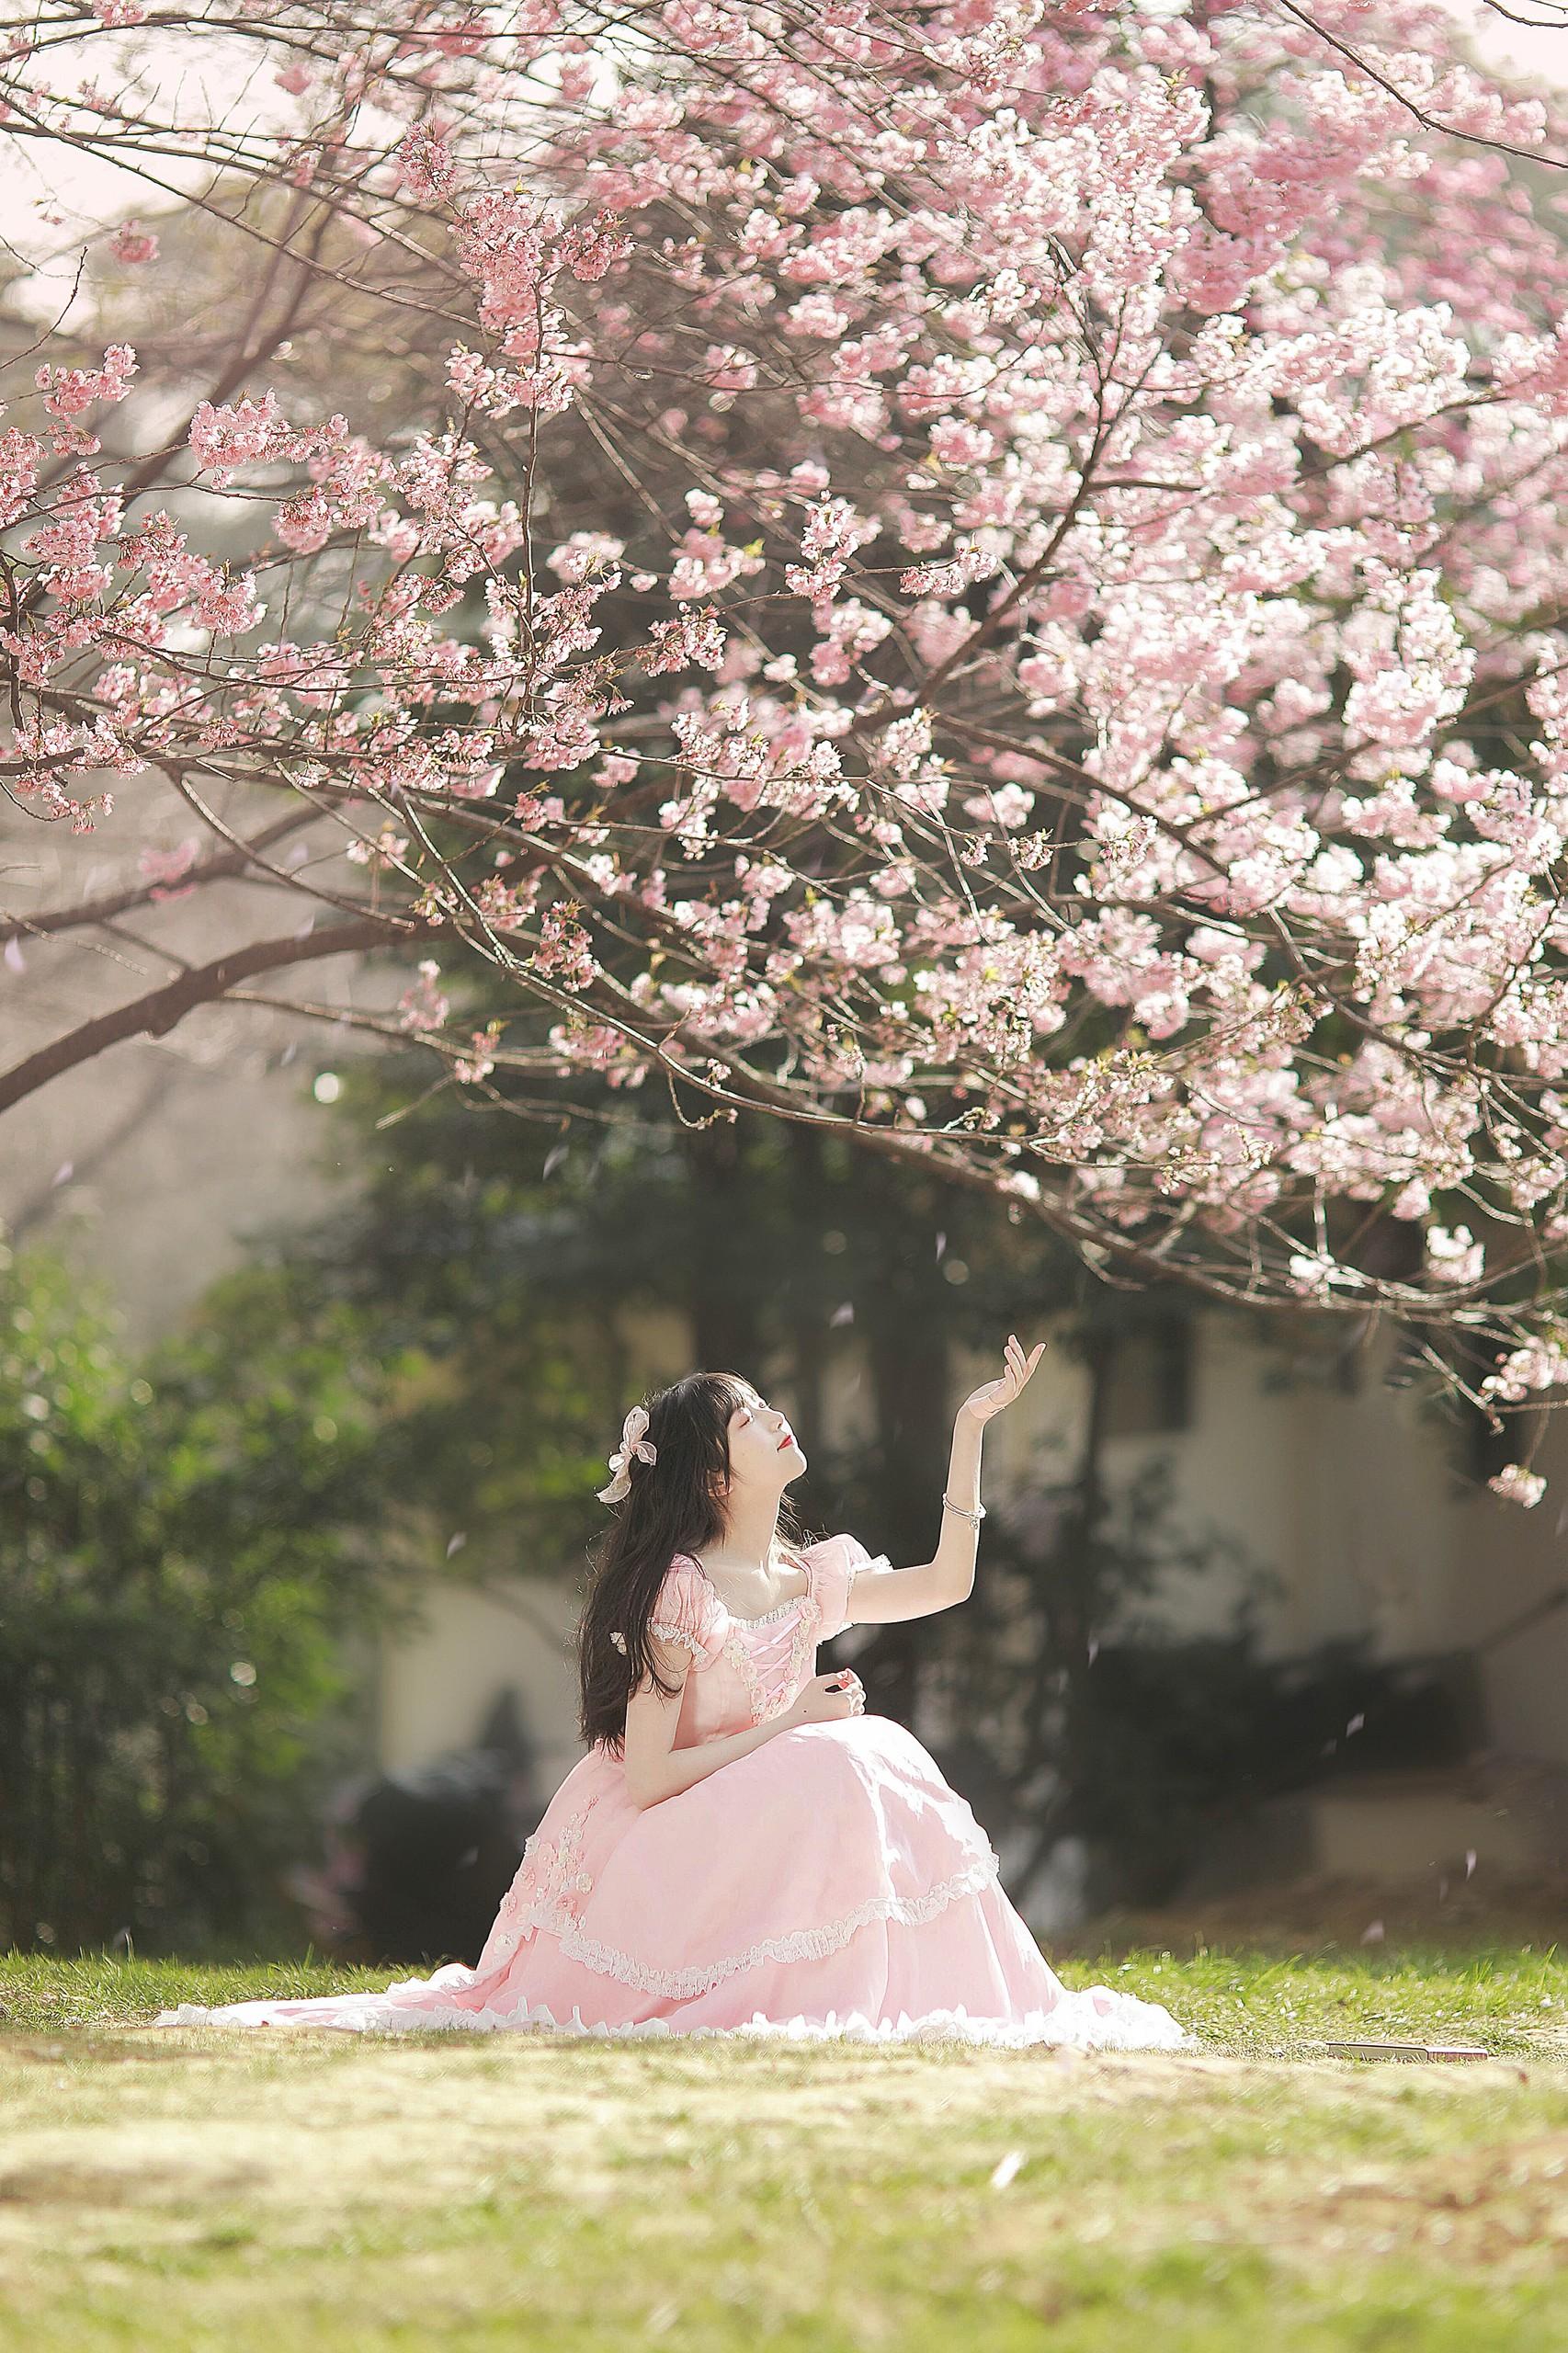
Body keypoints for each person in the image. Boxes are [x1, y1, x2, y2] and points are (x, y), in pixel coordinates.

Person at [154, 1336, 1189, 2049]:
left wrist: (971, 1427)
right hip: (659, 1833)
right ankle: (795, 1983)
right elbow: (646, 1777)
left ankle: (885, 1991)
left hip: (757, 1811)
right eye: (751, 1419)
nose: (778, 1421)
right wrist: (790, 1720)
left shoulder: (800, 1576)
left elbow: (946, 1582)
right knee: (841, 1754)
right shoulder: (674, 1594)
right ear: (709, 1475)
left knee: (874, 1753)